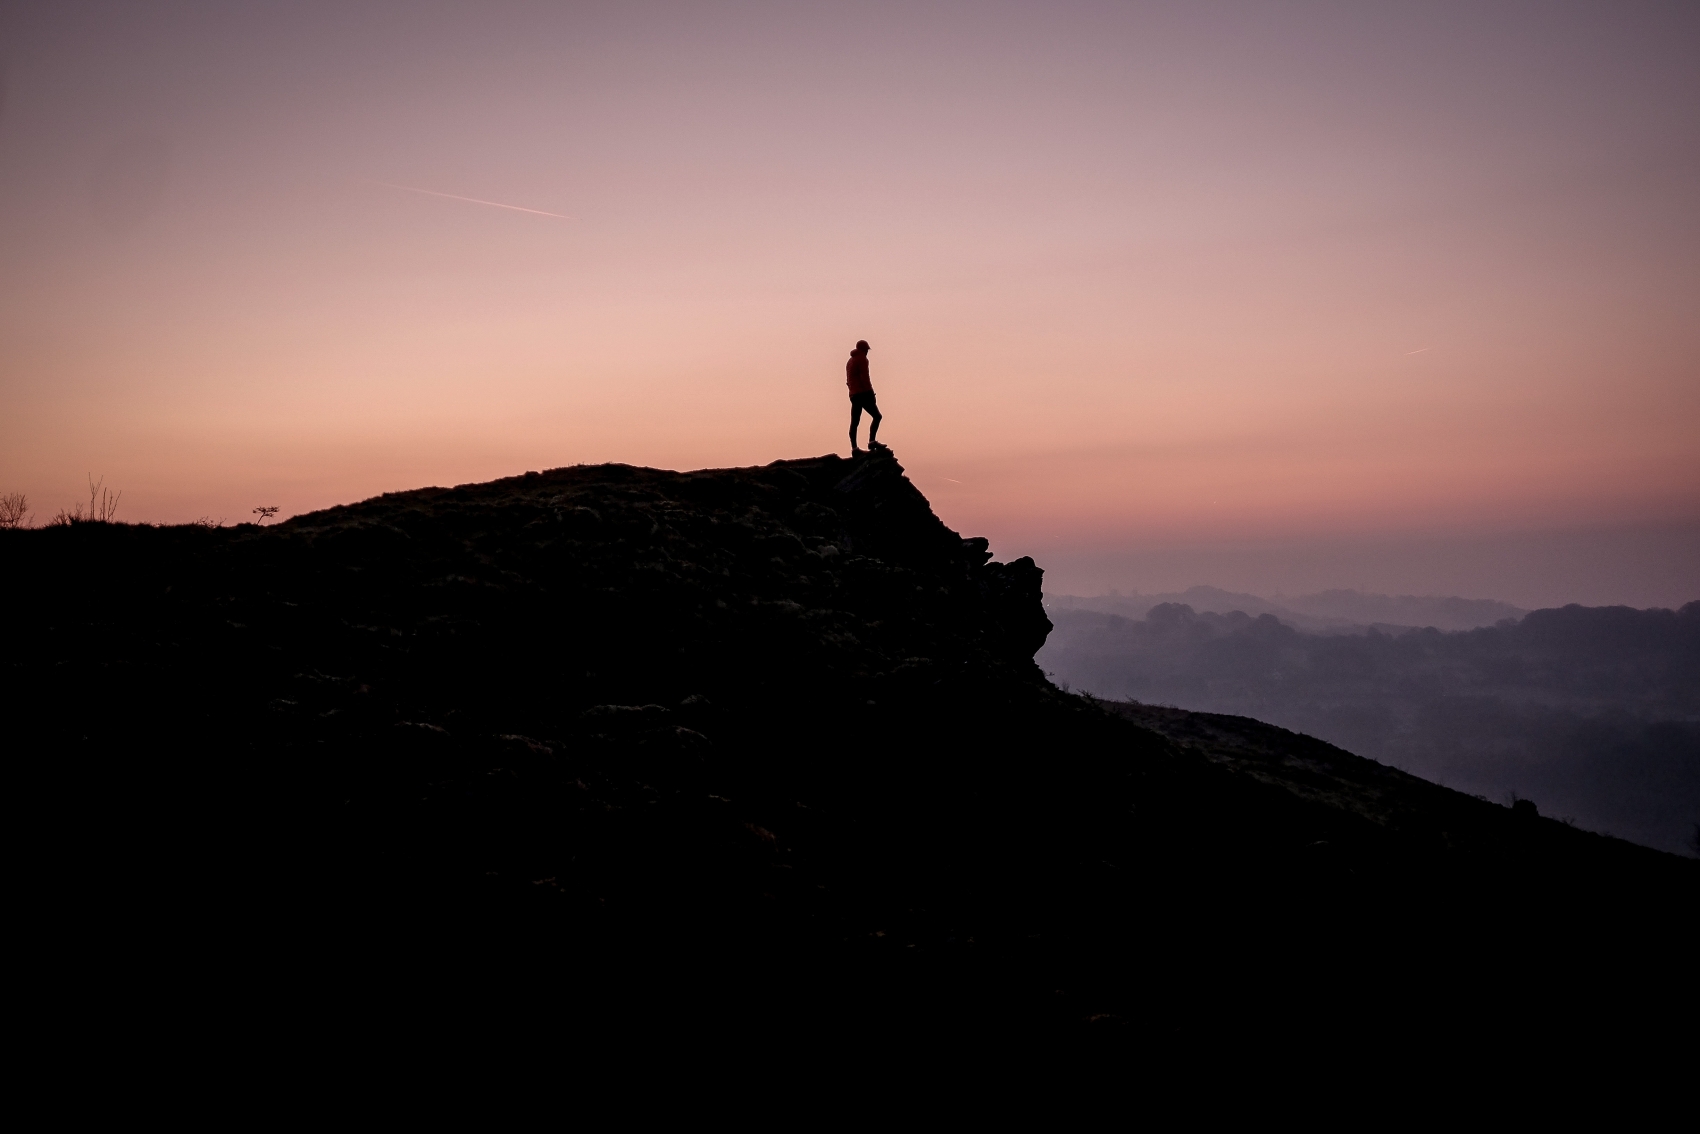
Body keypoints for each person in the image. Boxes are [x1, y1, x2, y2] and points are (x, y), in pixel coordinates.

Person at [846, 339, 884, 454]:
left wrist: (852, 392)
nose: (867, 352)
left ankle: (854, 448)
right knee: (877, 416)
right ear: (864, 350)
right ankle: (872, 442)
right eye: (867, 350)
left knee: (855, 422)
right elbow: (865, 378)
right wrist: (871, 393)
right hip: (863, 393)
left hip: (853, 395)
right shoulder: (862, 359)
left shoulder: (850, 361)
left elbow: (849, 381)